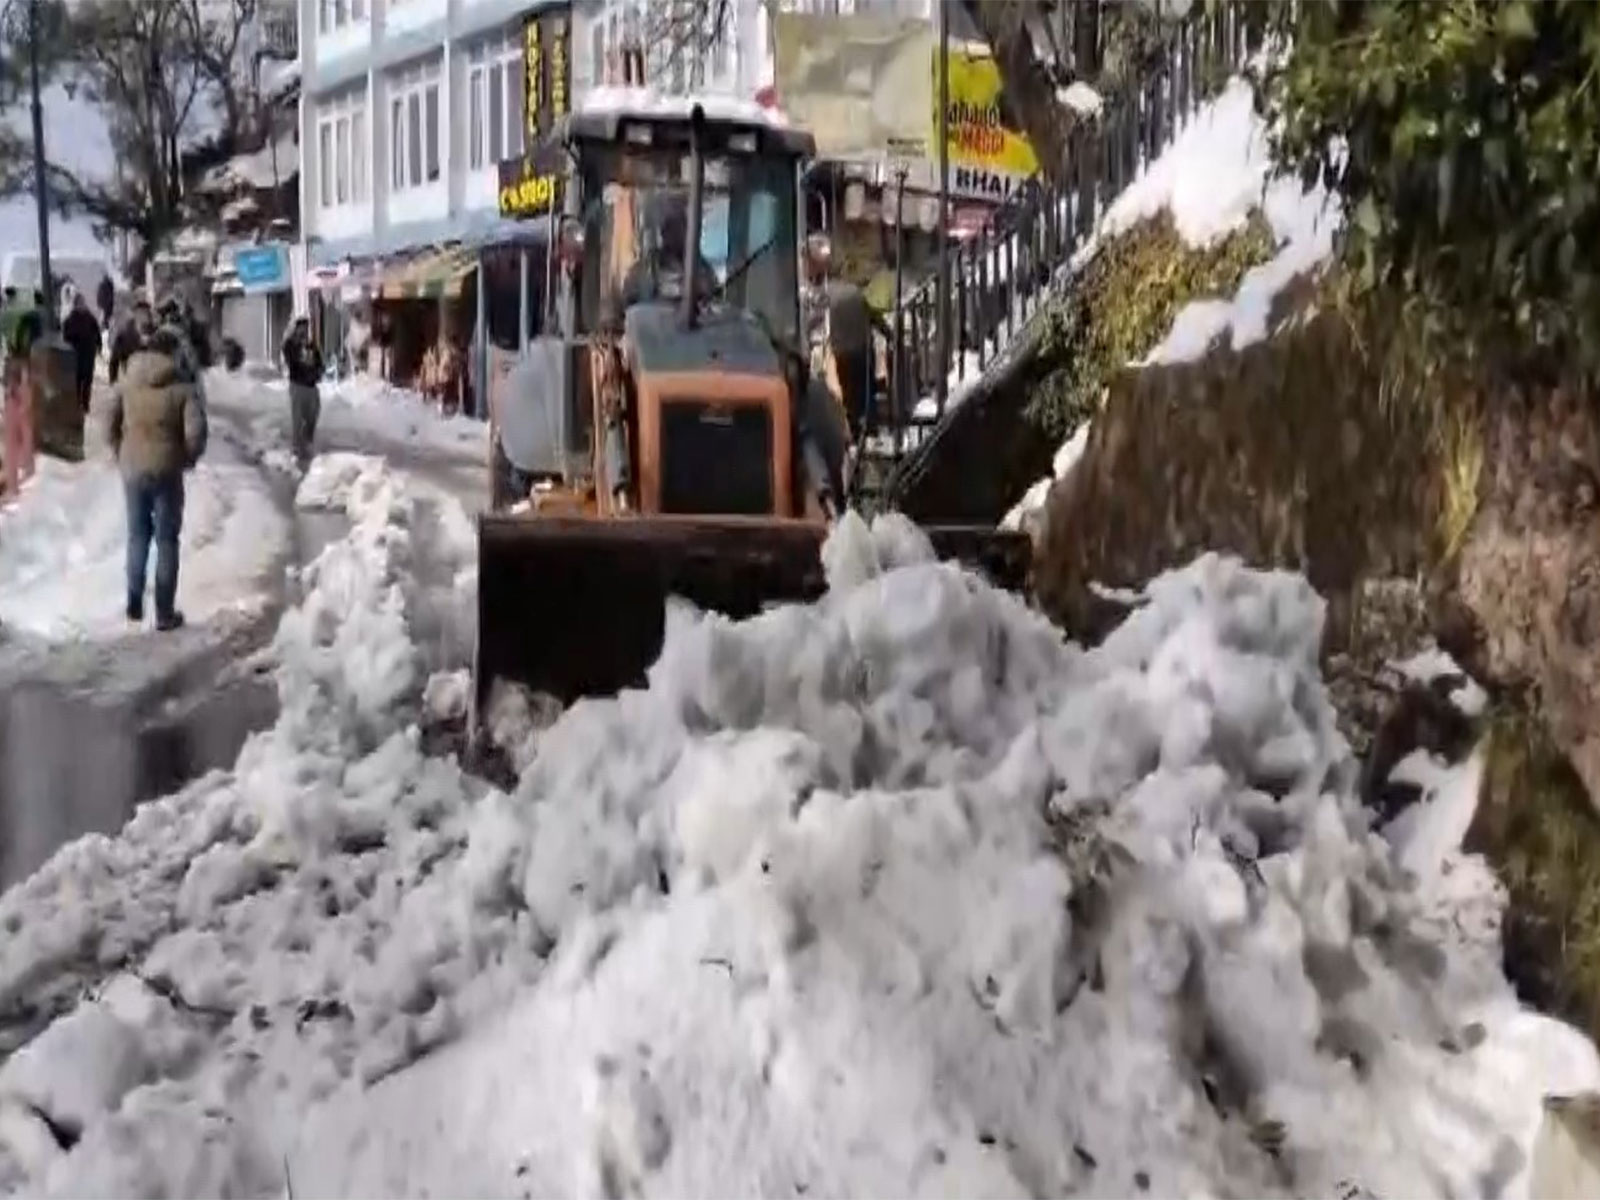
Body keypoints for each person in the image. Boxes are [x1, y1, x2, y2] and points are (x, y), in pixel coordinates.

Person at [105, 324, 208, 631]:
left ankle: (134, 604)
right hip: (167, 470)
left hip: (133, 468)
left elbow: (108, 423)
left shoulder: (127, 381)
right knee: (166, 540)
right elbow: (196, 433)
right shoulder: (182, 388)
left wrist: (120, 452)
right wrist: (187, 458)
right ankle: (164, 613)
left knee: (137, 535)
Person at [281, 316, 323, 469]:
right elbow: (291, 360)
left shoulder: (312, 346)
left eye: (306, 328)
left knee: (313, 415)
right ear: (296, 328)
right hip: (298, 385)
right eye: (302, 328)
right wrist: (301, 353)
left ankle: (308, 442)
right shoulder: (291, 344)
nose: (304, 331)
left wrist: (317, 372)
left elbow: (319, 363)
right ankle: (297, 449)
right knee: (298, 419)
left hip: (311, 386)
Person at [62, 292, 102, 413]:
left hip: (89, 353)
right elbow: (66, 336)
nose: (81, 305)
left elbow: (97, 333)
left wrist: (99, 346)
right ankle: (77, 402)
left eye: (82, 303)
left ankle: (85, 404)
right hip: (76, 354)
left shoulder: (90, 318)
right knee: (77, 379)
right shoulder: (69, 320)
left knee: (88, 380)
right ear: (75, 305)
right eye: (79, 303)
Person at [109, 298, 155, 385]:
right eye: (141, 313)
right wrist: (113, 381)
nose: (144, 317)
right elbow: (114, 361)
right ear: (135, 314)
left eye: (146, 313)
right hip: (131, 381)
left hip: (152, 383)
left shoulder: (156, 333)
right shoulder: (124, 335)